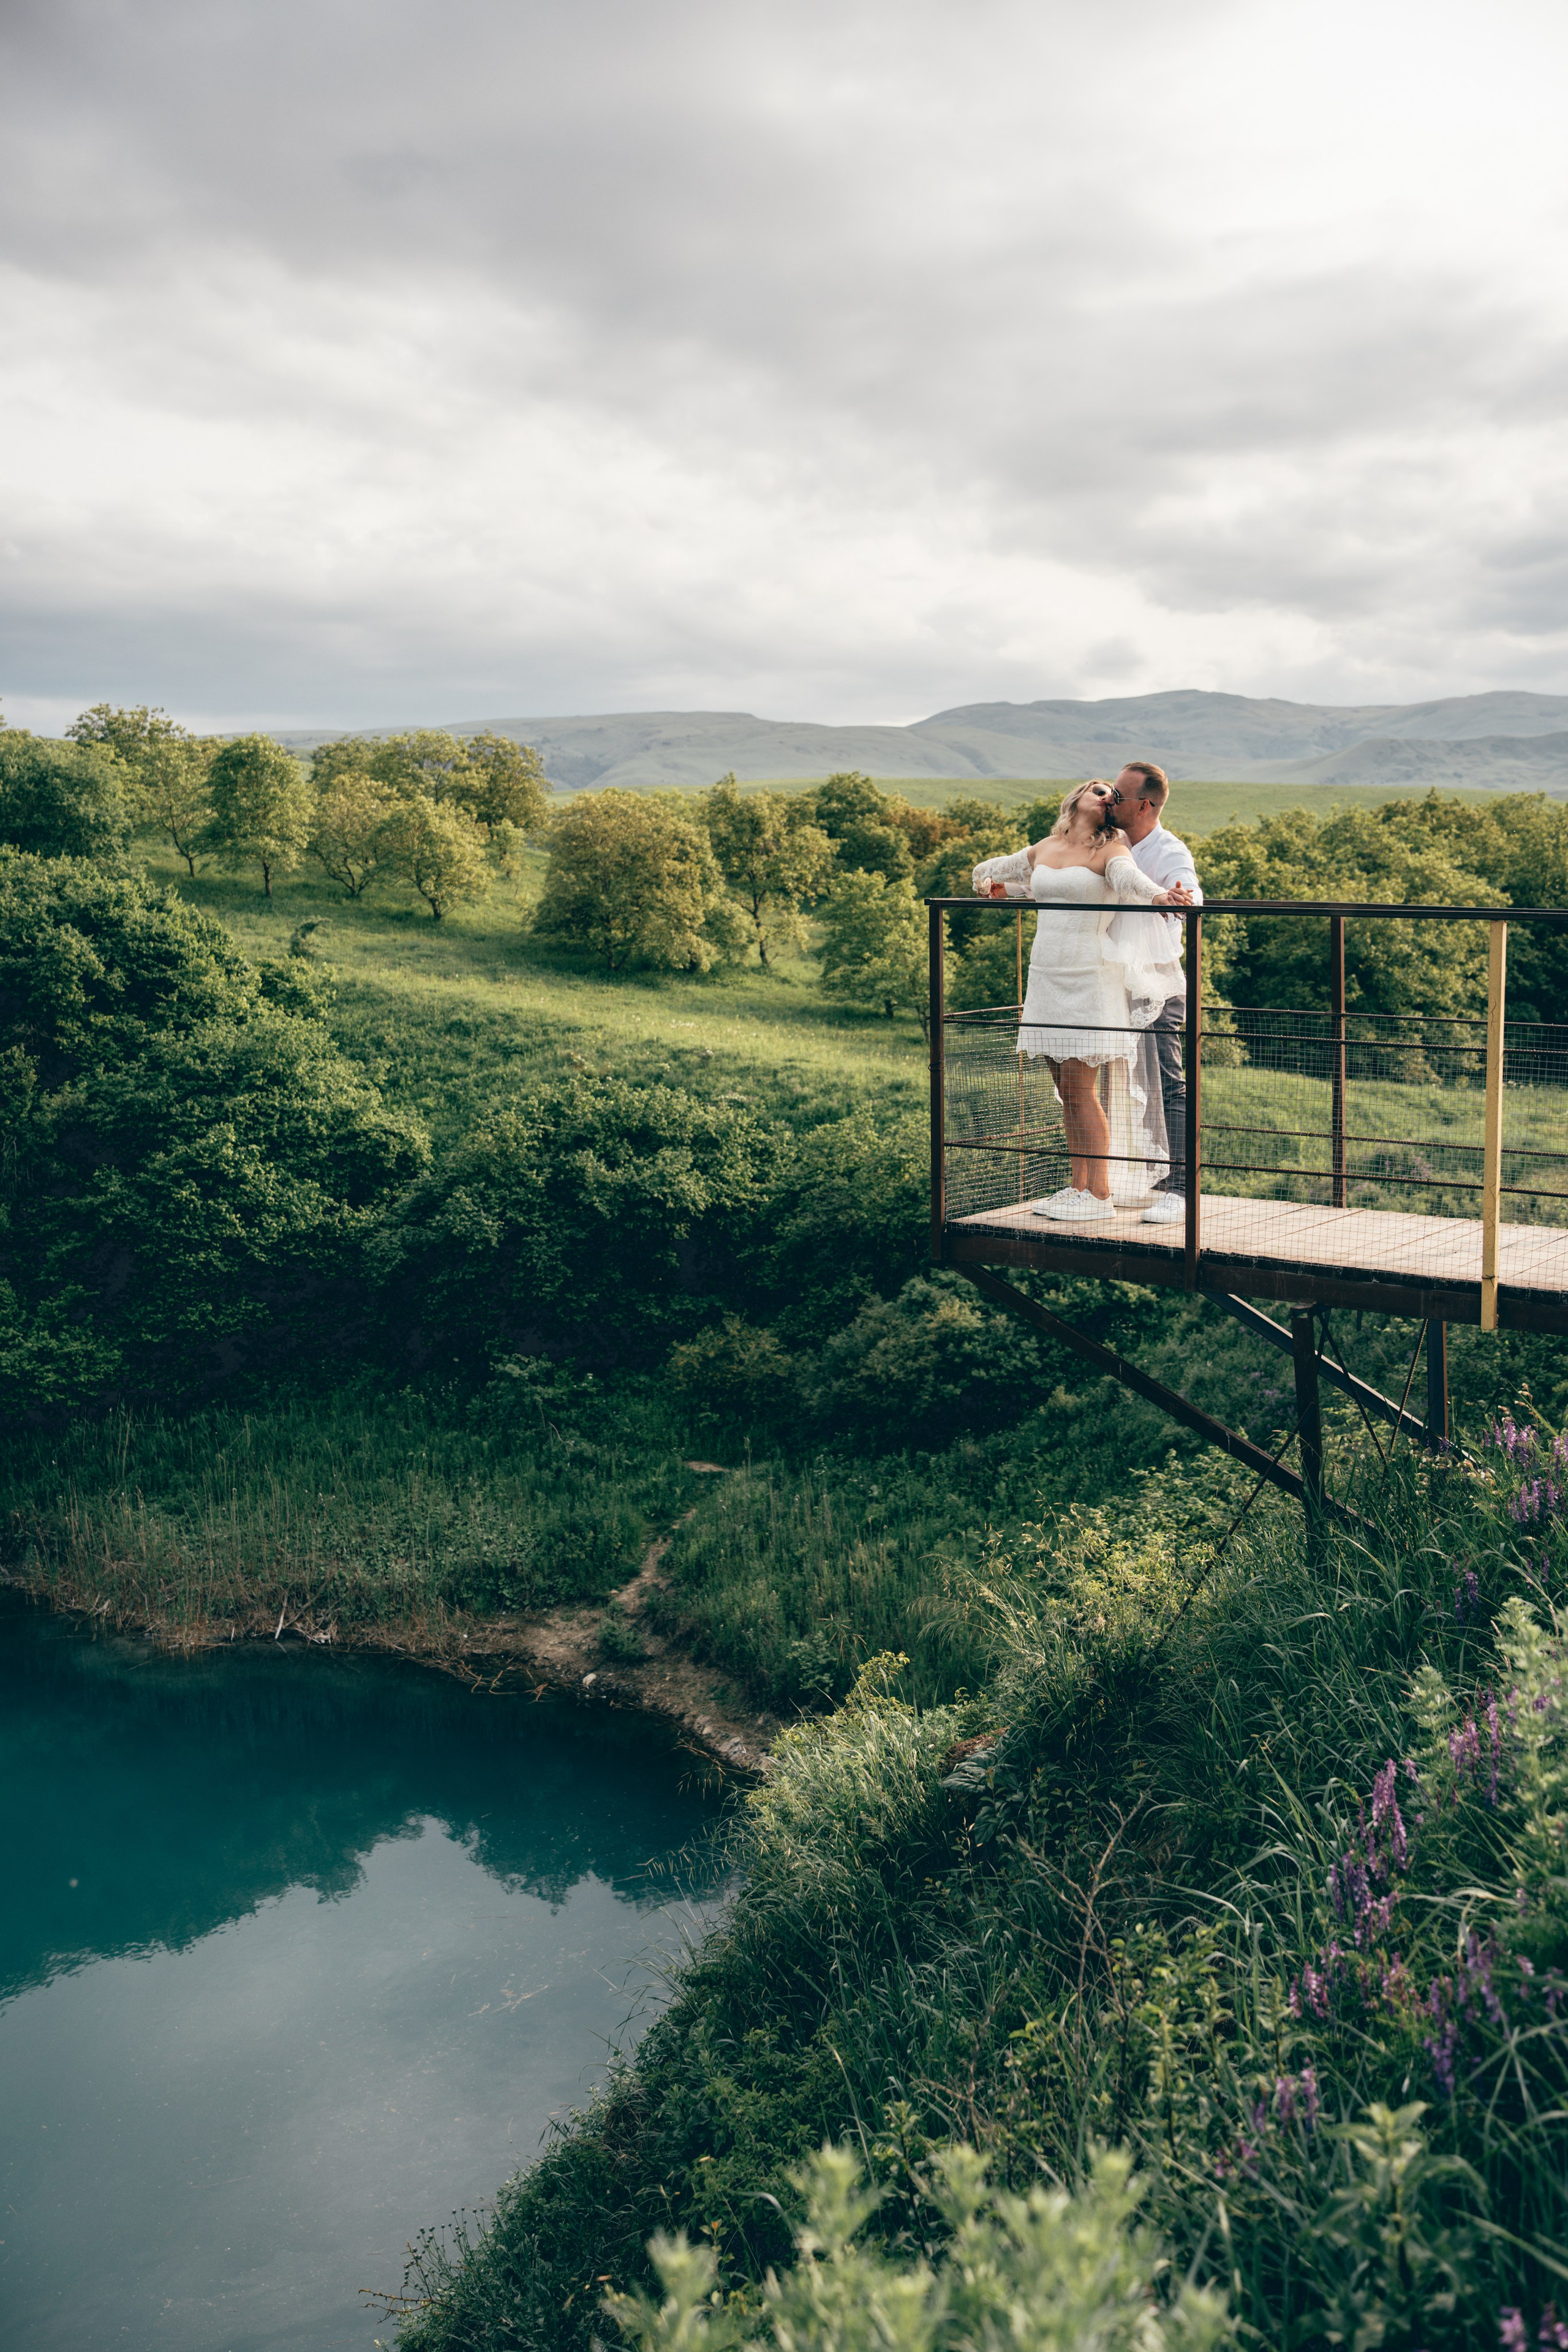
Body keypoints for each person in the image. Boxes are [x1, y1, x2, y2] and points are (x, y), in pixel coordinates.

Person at [970, 777, 1192, 1221]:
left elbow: (1131, 883)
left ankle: (1101, 1195)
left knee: (1081, 1089)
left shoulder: (1112, 850)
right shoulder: (1045, 848)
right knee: (1063, 1090)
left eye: (1114, 793)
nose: (1108, 795)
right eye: (1099, 788)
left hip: (1089, 978)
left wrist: (1162, 895)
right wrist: (992, 886)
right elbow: (987, 870)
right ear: (1075, 798)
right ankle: (1078, 1186)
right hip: (1046, 977)